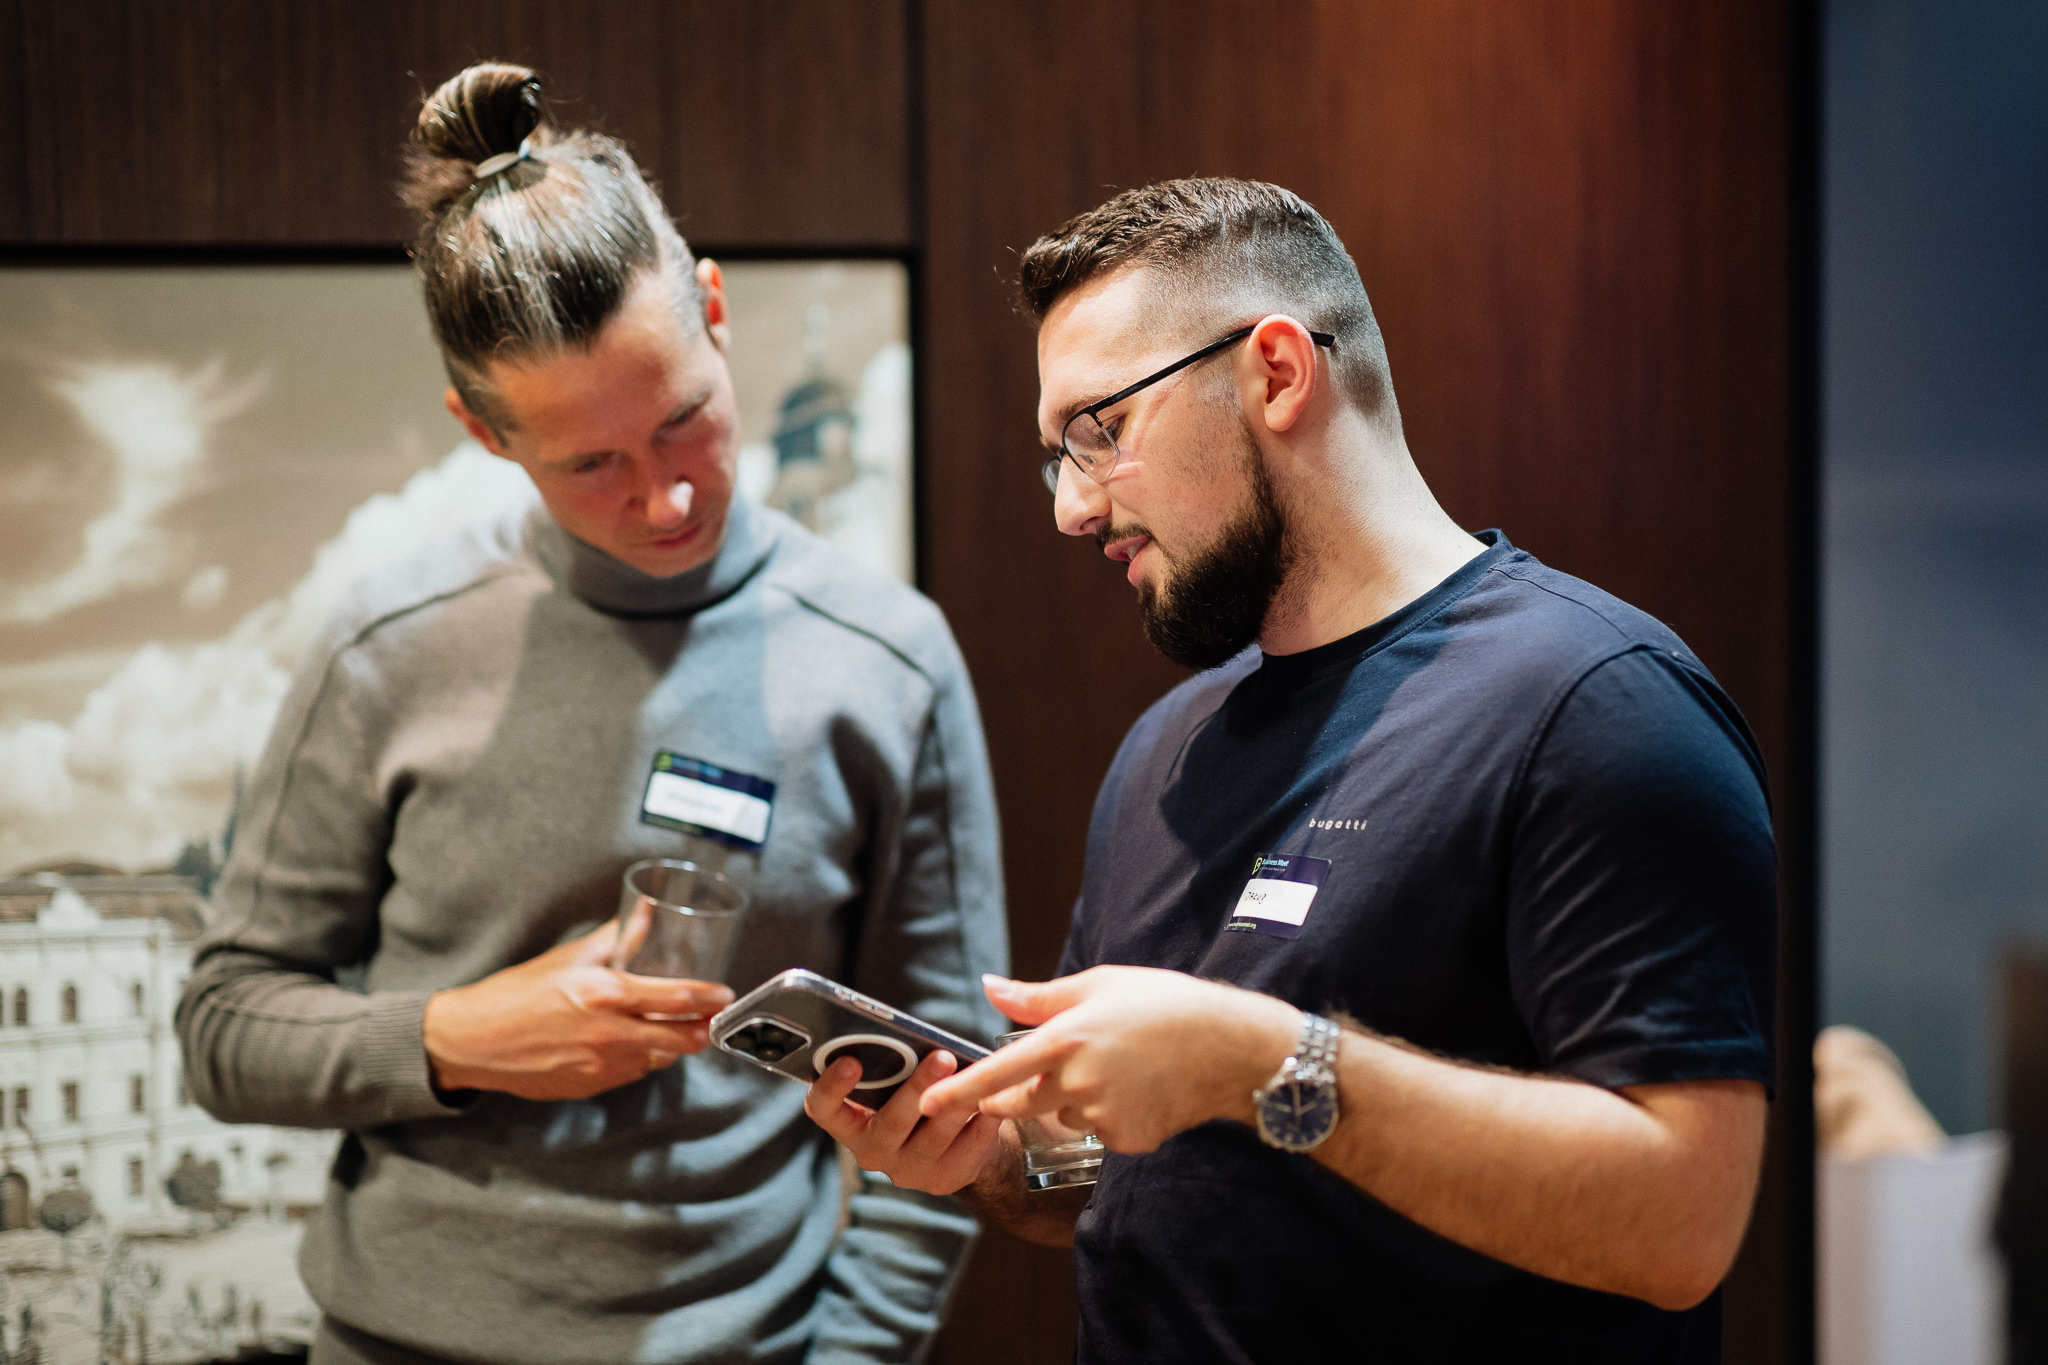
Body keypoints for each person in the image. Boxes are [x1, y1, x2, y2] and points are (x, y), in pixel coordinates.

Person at [807, 178, 1777, 1361]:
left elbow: (1681, 1223)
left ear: (1274, 373)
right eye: (1054, 457)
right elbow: (1118, 1179)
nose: (1069, 509)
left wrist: (1259, 1062)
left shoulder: (1597, 705)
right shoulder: (1166, 747)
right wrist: (990, 1157)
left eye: (1098, 431)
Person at [176, 63, 1008, 1365]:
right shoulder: (386, 644)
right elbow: (223, 1030)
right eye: (591, 463)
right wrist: (461, 1038)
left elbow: (954, 1105)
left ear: (716, 312)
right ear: (483, 432)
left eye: (685, 421)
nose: (664, 497)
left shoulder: (889, 663)